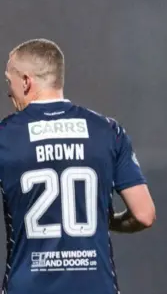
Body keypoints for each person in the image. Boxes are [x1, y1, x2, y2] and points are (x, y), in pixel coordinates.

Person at [0, 39, 156, 294]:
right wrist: (106, 221)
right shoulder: (108, 131)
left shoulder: (5, 137)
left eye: (10, 81)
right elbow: (144, 214)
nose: (9, 91)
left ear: (26, 81)